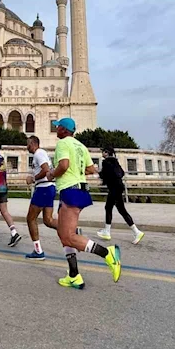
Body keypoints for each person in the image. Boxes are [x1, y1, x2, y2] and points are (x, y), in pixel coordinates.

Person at [47, 118, 121, 289]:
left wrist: (52, 174)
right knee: (63, 233)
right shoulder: (81, 146)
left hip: (70, 190)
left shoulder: (63, 143)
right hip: (79, 190)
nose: (56, 128)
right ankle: (74, 275)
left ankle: (107, 253)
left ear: (64, 130)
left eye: (58, 126)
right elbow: (91, 169)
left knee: (68, 236)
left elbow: (63, 165)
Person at [97, 147, 144, 245]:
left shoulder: (105, 162)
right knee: (120, 210)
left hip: (114, 188)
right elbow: (121, 173)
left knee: (109, 207)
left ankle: (107, 231)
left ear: (106, 153)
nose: (102, 153)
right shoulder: (115, 161)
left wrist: (98, 171)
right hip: (119, 187)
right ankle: (136, 231)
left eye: (103, 151)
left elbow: (104, 176)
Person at [24, 136, 56, 260]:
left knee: (30, 219)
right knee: (48, 220)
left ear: (33, 143)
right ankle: (71, 231)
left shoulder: (39, 153)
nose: (27, 147)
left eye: (28, 144)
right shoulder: (41, 154)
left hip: (43, 188)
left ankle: (38, 251)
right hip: (49, 188)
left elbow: (46, 170)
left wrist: (33, 178)